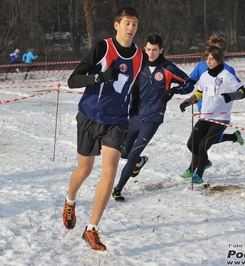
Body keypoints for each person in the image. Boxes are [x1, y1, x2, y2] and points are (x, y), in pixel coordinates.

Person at [62, 6, 147, 251]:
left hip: (117, 121)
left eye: (135, 24)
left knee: (109, 172)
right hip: (90, 116)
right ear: (117, 24)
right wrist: (99, 77)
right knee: (84, 170)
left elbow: (135, 85)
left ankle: (92, 229)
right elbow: (72, 80)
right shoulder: (103, 48)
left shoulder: (140, 55)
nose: (131, 28)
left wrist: (135, 111)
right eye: (127, 23)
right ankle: (70, 201)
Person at [111, 34, 194, 202]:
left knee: (132, 155)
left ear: (161, 50)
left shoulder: (168, 68)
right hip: (133, 116)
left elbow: (189, 84)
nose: (151, 53)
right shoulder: (138, 65)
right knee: (124, 153)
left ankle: (118, 189)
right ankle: (140, 162)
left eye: (154, 50)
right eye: (148, 49)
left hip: (153, 118)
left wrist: (173, 91)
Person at [179, 45, 245, 184]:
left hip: (221, 119)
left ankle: (198, 174)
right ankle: (204, 162)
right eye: (207, 59)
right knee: (191, 144)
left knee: (203, 145)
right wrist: (188, 101)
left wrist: (232, 95)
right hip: (205, 117)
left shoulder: (227, 76)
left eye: (211, 59)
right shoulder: (204, 76)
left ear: (218, 59)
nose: (208, 62)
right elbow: (199, 93)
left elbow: (243, 92)